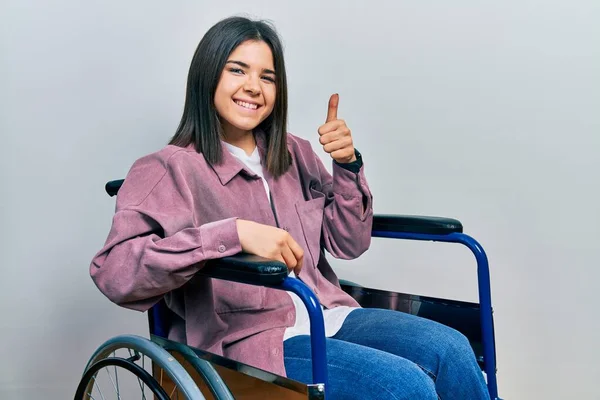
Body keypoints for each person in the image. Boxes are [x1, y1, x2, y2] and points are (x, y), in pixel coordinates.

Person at [90, 16, 490, 399]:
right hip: (246, 342)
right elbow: (115, 273)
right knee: (402, 386)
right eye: (237, 70)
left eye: (267, 77)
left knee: (450, 349)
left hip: (326, 313)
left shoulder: (293, 153)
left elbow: (349, 243)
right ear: (206, 76)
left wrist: (348, 165)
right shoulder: (168, 169)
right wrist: (232, 234)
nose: (253, 87)